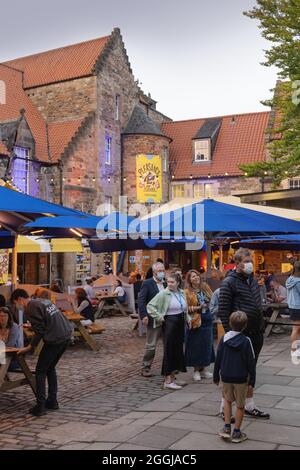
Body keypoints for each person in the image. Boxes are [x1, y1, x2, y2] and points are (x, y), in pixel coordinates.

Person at [218, 248, 269, 419]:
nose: (250, 264)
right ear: (237, 263)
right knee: (234, 371)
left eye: (251, 261)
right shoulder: (229, 282)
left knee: (250, 370)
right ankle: (224, 407)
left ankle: (249, 405)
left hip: (256, 332)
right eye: (246, 261)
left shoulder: (252, 279)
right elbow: (224, 311)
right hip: (240, 334)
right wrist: (231, 336)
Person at [11, 289, 72, 416]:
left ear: (19, 299)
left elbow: (40, 331)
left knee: (40, 371)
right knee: (50, 368)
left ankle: (40, 406)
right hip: (65, 335)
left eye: (16, 303)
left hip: (55, 339)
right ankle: (52, 401)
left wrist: (30, 347)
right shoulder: (42, 301)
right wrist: (33, 327)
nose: (18, 306)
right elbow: (46, 322)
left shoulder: (30, 307)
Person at [214, 311, 256, 443]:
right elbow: (251, 362)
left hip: (226, 376)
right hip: (241, 378)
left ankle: (226, 427)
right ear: (245, 326)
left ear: (230, 324)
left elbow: (218, 358)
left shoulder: (224, 339)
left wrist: (216, 375)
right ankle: (237, 432)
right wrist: (252, 381)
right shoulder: (246, 341)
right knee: (240, 405)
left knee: (227, 400)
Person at [147, 272, 187, 389]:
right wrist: (159, 317)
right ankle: (167, 380)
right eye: (168, 282)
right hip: (169, 322)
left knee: (177, 350)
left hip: (180, 321)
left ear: (178, 283)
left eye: (172, 282)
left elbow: (184, 308)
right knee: (169, 350)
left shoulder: (182, 293)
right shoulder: (164, 293)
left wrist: (188, 318)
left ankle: (173, 377)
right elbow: (150, 306)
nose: (169, 284)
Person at [185, 270, 214, 381]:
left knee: (207, 345)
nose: (196, 277)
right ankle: (196, 370)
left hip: (207, 319)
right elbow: (185, 308)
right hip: (195, 321)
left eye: (197, 275)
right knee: (196, 346)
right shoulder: (187, 292)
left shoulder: (205, 287)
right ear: (189, 279)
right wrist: (198, 307)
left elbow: (212, 299)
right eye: (193, 276)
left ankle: (204, 369)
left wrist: (211, 307)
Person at [139, 261, 166, 377]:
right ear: (154, 272)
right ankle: (146, 367)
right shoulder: (148, 283)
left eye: (163, 270)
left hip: (167, 318)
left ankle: (169, 367)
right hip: (153, 318)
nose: (162, 273)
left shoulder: (166, 283)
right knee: (151, 345)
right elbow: (141, 300)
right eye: (160, 271)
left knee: (168, 344)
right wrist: (144, 315)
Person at [286, 261, 300, 358]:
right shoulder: (298, 281)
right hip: (298, 307)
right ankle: (294, 351)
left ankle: (296, 349)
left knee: (297, 329)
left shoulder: (290, 279)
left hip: (292, 306)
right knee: (296, 329)